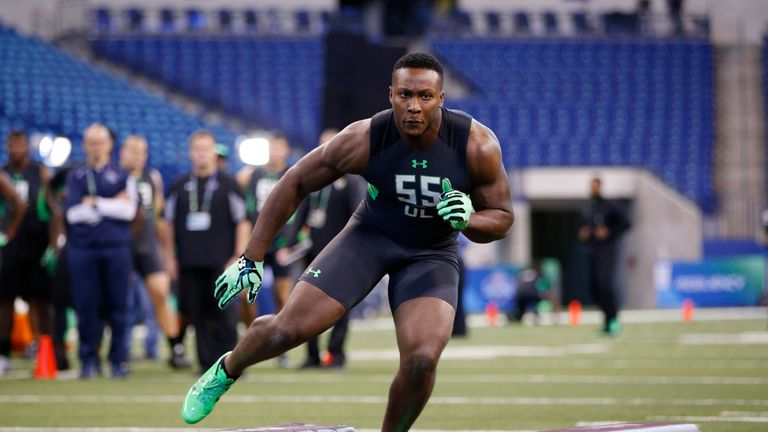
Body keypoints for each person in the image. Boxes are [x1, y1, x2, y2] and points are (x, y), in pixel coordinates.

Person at [181, 52, 514, 430]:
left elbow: (502, 218)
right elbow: (295, 181)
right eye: (405, 95)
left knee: (421, 360)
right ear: (390, 95)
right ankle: (227, 368)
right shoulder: (365, 138)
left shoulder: (476, 145)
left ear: (441, 99)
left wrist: (469, 219)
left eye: (424, 96)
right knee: (287, 330)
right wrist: (252, 256)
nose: (414, 106)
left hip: (431, 252)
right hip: (370, 237)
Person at [162, 130, 250, 371]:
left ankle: (232, 364)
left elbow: (243, 221)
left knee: (226, 314)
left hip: (222, 261)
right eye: (197, 149)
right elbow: (167, 223)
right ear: (191, 153)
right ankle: (206, 364)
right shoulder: (179, 186)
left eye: (206, 149)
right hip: (189, 261)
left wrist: (238, 256)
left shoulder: (229, 184)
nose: (201, 154)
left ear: (214, 153)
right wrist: (169, 256)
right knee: (197, 314)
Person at [282, 128, 366, 370]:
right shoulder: (315, 179)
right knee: (307, 304)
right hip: (313, 252)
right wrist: (289, 243)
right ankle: (312, 355)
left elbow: (358, 216)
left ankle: (336, 354)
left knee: (340, 304)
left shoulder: (352, 181)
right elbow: (301, 214)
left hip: (342, 253)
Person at [64, 123, 138, 378]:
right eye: (92, 143)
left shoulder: (122, 174)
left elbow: (128, 211)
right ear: (85, 145)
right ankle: (88, 359)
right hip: (83, 249)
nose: (96, 148)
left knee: (119, 306)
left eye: (101, 142)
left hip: (116, 249)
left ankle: (119, 360)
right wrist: (110, 204)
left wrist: (94, 202)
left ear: (109, 145)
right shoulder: (76, 175)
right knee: (86, 306)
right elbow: (73, 214)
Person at [119, 135, 185, 367]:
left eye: (142, 152)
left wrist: (166, 252)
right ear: (122, 152)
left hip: (148, 246)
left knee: (160, 294)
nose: (138, 156)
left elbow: (159, 217)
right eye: (133, 151)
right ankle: (120, 351)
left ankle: (175, 347)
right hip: (122, 247)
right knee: (120, 301)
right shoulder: (114, 176)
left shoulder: (152, 177)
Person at [237, 132, 295, 367]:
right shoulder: (253, 175)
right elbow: (247, 207)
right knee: (246, 294)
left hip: (280, 244)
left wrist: (289, 243)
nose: (274, 152)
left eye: (278, 147)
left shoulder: (292, 173)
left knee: (284, 297)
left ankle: (281, 348)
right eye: (271, 147)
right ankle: (251, 340)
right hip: (258, 242)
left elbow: (297, 209)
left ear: (286, 151)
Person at [578, 176, 630, 335]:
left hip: (606, 250)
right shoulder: (588, 207)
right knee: (594, 286)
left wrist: (609, 232)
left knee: (604, 284)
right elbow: (582, 227)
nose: (594, 189)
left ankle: (614, 320)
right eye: (592, 186)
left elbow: (626, 223)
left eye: (596, 186)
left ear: (600, 187)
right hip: (591, 250)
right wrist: (583, 233)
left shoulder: (609, 206)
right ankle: (607, 321)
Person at [0, 135, 28, 374]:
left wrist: (7, 234)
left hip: (12, 248)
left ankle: (3, 352)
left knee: (5, 301)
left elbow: (19, 203)